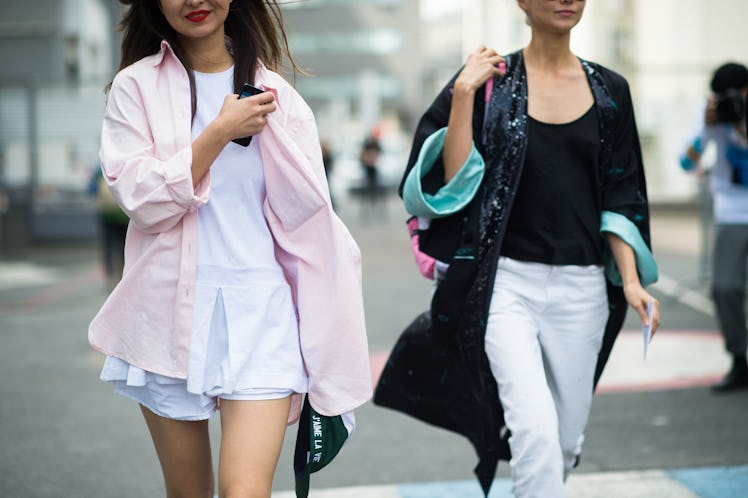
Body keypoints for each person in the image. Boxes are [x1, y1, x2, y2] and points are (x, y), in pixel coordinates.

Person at [375, 1, 660, 496]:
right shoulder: (492, 82)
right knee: (535, 435)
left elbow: (622, 192)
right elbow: (453, 185)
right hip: (506, 284)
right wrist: (464, 92)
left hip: (583, 290)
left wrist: (631, 281)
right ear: (522, 3)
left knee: (565, 443)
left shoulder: (611, 91)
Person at [88, 1, 372, 497]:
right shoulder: (136, 87)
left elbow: (310, 226)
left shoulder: (279, 99)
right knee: (189, 492)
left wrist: (325, 331)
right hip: (164, 315)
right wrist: (219, 133)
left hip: (262, 315)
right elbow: (142, 200)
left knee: (245, 491)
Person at [680, 62, 748, 393]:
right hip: (732, 212)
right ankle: (739, 359)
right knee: (725, 288)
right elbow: (686, 163)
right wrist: (708, 130)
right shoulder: (712, 114)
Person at [87, 166, 129, 291]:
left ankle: (109, 275)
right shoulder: (125, 165)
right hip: (124, 215)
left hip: (106, 215)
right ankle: (123, 274)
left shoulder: (100, 169)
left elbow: (91, 190)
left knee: (108, 245)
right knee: (124, 246)